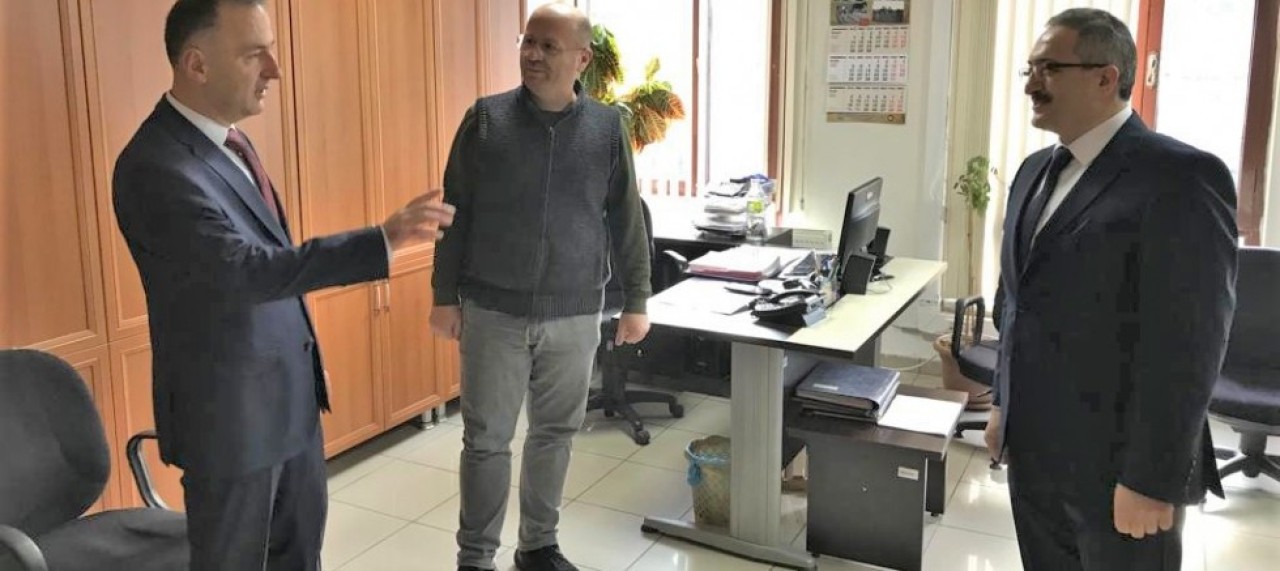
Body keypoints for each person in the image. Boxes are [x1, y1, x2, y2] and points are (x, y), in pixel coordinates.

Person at [111, 0, 455, 568]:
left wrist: (306, 361)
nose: (274, 69)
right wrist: (380, 240)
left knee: (300, 554)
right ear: (197, 65)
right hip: (231, 424)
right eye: (254, 54)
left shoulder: (230, 144)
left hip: (289, 403)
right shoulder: (156, 165)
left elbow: (273, 266)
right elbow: (243, 271)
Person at [985, 8, 1235, 570]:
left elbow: (1189, 345)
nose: (1031, 85)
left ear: (1106, 77)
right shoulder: (1031, 172)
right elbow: (1016, 305)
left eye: (1049, 69)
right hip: (1035, 452)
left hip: (1119, 469)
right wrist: (1002, 405)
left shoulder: (1179, 178)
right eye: (1029, 69)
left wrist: (1151, 479)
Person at [428, 4, 652, 570]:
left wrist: (637, 300)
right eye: (528, 42)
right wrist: (443, 295)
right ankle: (476, 558)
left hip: (575, 313)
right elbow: (454, 212)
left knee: (554, 434)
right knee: (486, 441)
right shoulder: (486, 120)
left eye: (548, 46)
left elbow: (626, 219)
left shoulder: (607, 129)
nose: (532, 54)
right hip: (493, 311)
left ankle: (538, 547)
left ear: (582, 58)